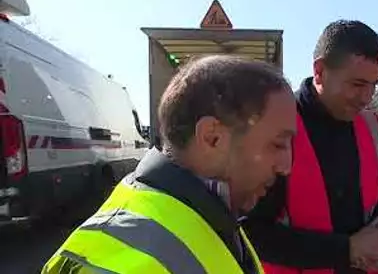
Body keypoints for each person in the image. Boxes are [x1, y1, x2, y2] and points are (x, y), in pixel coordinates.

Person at [41, 55, 297, 274]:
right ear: (212, 137)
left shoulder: (212, 214)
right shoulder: (124, 260)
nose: (286, 166)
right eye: (277, 144)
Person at [242, 20, 378, 274]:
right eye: (357, 84)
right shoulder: (273, 127)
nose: (367, 97)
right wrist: (347, 249)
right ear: (319, 71)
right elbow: (251, 232)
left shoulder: (369, 126)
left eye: (374, 85)